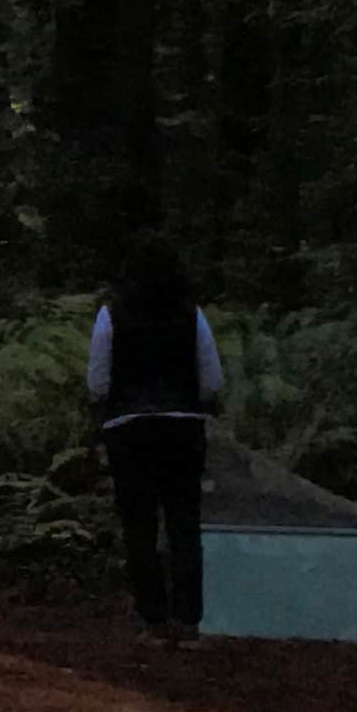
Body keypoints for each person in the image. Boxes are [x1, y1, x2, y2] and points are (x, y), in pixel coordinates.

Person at [88, 229, 223, 636]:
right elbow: (212, 381)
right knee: (184, 522)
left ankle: (153, 619)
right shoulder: (191, 314)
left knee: (138, 525)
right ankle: (188, 619)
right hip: (183, 426)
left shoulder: (111, 316)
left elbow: (97, 383)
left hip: (128, 430)